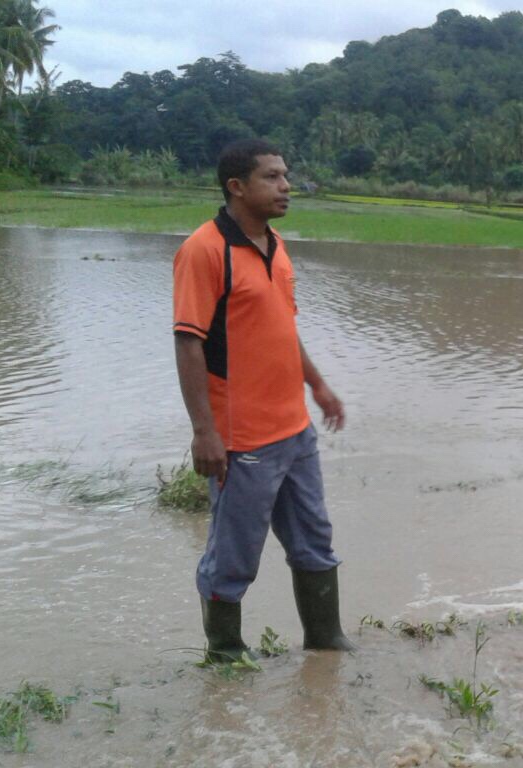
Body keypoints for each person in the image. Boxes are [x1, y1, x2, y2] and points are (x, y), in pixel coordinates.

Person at [173, 139, 355, 661]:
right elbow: (188, 341)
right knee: (234, 555)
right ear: (237, 187)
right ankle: (225, 655)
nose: (285, 185)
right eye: (272, 177)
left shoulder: (275, 245)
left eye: (285, 175)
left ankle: (325, 640)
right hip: (243, 437)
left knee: (315, 539)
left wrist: (316, 385)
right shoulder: (204, 250)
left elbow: (281, 327)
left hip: (294, 430)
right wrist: (205, 431)